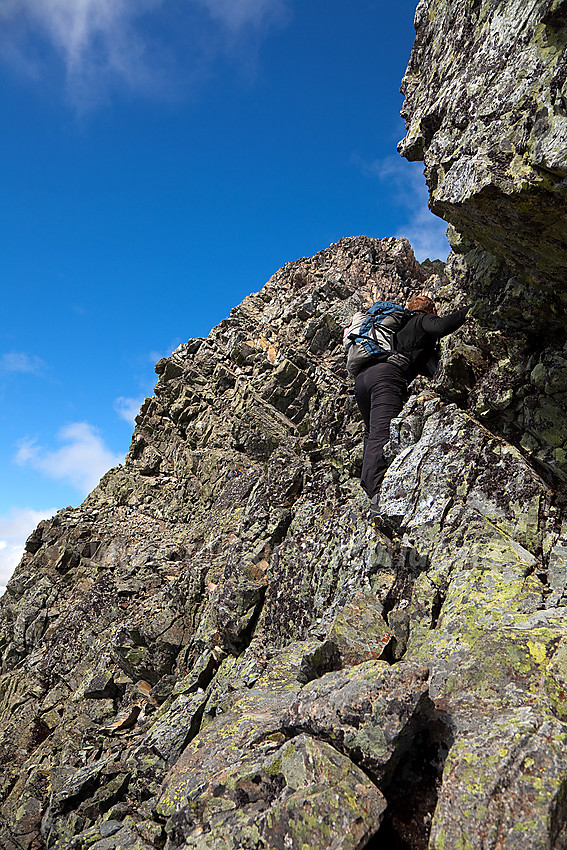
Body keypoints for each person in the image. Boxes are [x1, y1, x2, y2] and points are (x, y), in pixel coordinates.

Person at [354, 294, 469, 511]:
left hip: (362, 379)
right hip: (386, 378)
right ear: (432, 310)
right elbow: (441, 327)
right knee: (382, 432)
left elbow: (430, 368)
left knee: (371, 432)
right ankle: (378, 495)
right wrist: (468, 311)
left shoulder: (399, 331)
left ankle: (370, 486)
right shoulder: (420, 320)